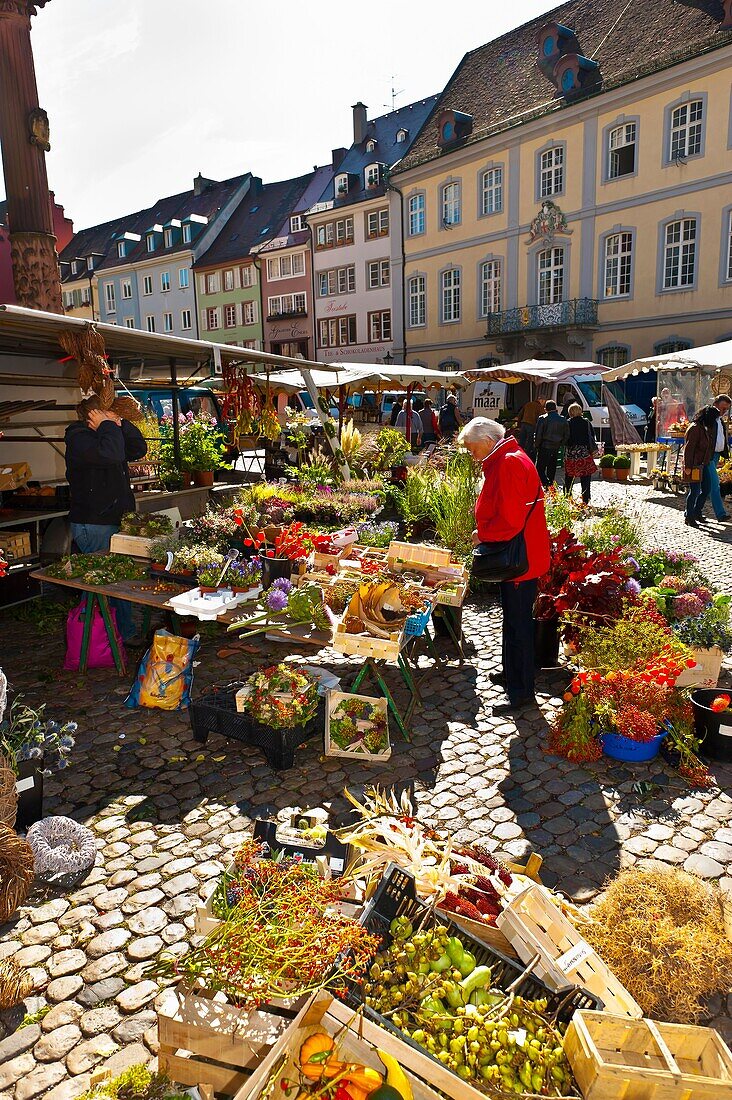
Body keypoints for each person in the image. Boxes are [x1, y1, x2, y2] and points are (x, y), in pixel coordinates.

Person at [459, 417, 550, 715]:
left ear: (487, 440)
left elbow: (510, 522)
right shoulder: (507, 457)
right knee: (513, 620)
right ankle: (512, 674)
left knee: (518, 624)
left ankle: (522, 692)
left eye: (472, 449)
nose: (472, 455)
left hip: (520, 558)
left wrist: (481, 534)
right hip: (523, 554)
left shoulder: (508, 463)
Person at [65, 396, 148, 639]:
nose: (113, 418)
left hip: (112, 519)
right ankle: (105, 636)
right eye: (108, 414)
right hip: (95, 523)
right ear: (93, 415)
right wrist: (108, 426)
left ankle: (112, 634)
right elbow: (111, 454)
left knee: (112, 579)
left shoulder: (109, 433)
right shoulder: (78, 436)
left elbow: (138, 448)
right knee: (105, 582)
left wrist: (119, 423)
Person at [694, 393, 731, 524]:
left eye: (727, 409)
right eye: (723, 408)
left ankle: (694, 512)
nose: (724, 411)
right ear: (715, 405)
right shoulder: (708, 418)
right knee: (715, 485)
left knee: (707, 488)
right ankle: (720, 514)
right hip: (707, 457)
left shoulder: (720, 420)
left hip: (715, 456)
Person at [682, 406, 717, 528]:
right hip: (694, 465)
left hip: (703, 464)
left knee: (706, 489)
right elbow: (689, 448)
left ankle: (697, 512)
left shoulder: (705, 428)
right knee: (695, 491)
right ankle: (689, 516)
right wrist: (688, 466)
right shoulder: (695, 428)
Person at [564, 405, 598, 505]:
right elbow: (592, 435)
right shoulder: (586, 422)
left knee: (569, 477)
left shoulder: (568, 423)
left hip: (571, 452)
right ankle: (586, 498)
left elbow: (566, 437)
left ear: (570, 412)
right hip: (584, 452)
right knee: (586, 476)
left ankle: (567, 496)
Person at [534, 400, 570, 487]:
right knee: (552, 467)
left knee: (540, 468)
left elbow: (538, 434)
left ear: (545, 409)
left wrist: (536, 445)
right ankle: (550, 483)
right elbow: (567, 434)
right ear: (555, 408)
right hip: (556, 446)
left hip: (544, 445)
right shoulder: (562, 419)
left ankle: (546, 483)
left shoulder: (542, 418)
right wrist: (561, 443)